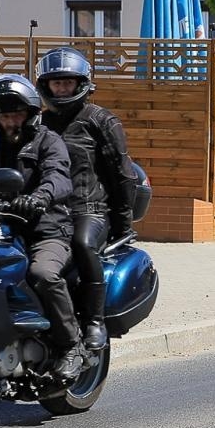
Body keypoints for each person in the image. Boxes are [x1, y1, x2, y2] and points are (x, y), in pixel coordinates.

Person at [0, 74, 87, 380]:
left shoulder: (48, 141)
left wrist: (40, 197)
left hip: (47, 229)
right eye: (4, 116)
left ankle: (72, 346)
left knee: (42, 273)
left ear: (29, 114)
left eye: (16, 114)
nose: (10, 121)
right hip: (5, 229)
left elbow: (59, 176)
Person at [35, 47, 139, 353]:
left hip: (89, 210)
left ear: (81, 84)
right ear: (46, 85)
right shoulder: (37, 124)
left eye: (67, 82)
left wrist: (123, 224)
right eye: (56, 83)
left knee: (81, 244)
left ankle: (94, 320)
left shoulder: (101, 121)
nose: (62, 89)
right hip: (48, 210)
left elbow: (122, 174)